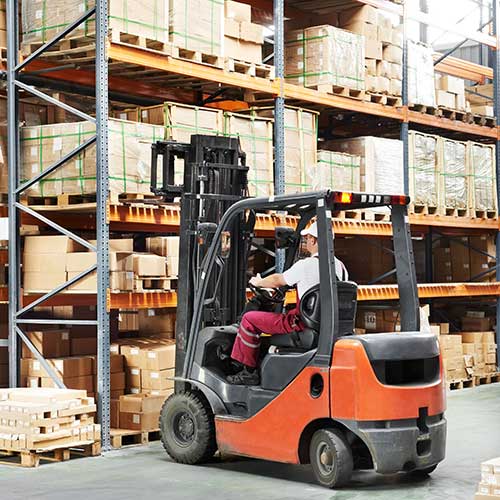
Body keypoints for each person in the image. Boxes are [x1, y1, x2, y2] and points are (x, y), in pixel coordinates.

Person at [227, 221, 348, 385]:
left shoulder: (306, 265)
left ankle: (248, 371)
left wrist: (258, 282)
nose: (306, 241)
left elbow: (278, 279)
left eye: (308, 238)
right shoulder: (340, 267)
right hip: (327, 326)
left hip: (300, 325)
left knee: (249, 319)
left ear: (313, 240)